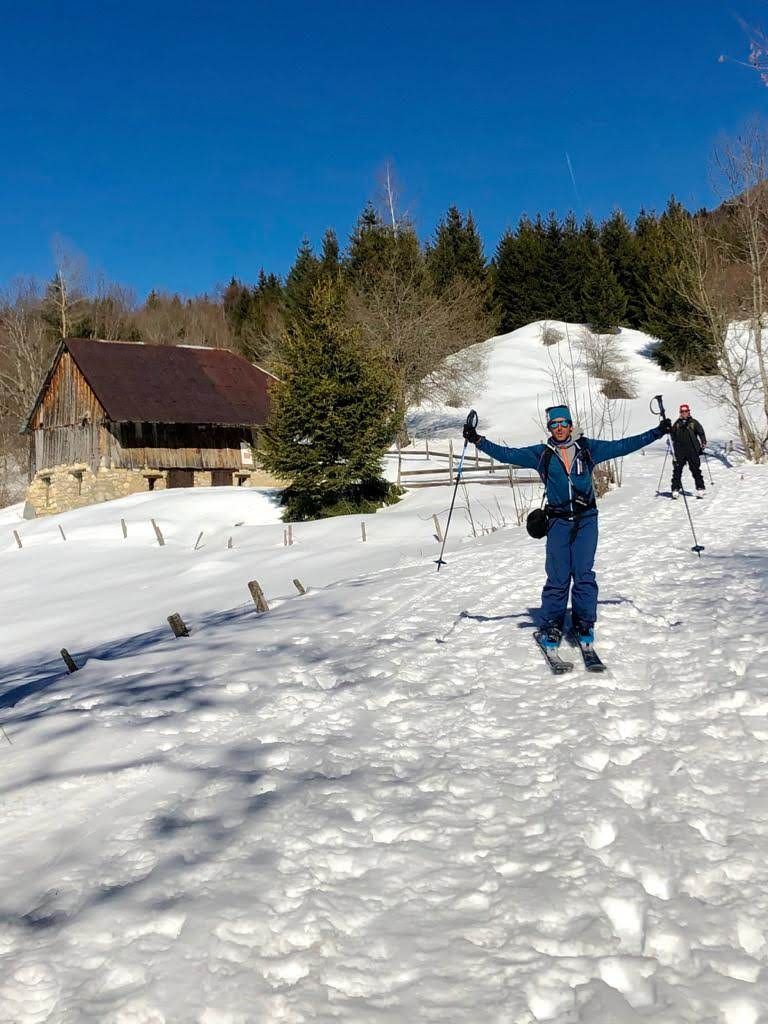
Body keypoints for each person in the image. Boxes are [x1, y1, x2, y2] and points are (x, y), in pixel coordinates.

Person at [462, 404, 671, 649]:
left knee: (583, 573)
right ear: (549, 428)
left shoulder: (588, 449)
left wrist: (657, 432)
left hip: (586, 520)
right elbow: (508, 455)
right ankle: (552, 623)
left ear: (571, 425)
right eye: (554, 425)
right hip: (558, 522)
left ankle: (584, 622)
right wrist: (478, 440)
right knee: (558, 576)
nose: (559, 428)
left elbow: (623, 445)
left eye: (563, 424)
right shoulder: (542, 453)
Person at [670, 402, 707, 500]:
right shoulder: (677, 423)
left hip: (692, 450)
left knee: (695, 469)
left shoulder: (693, 422)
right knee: (677, 470)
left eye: (686, 411)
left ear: (689, 412)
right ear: (680, 412)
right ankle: (675, 489)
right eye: (682, 411)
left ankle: (700, 488)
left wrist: (703, 442)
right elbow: (672, 435)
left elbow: (701, 432)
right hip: (679, 450)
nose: (684, 413)